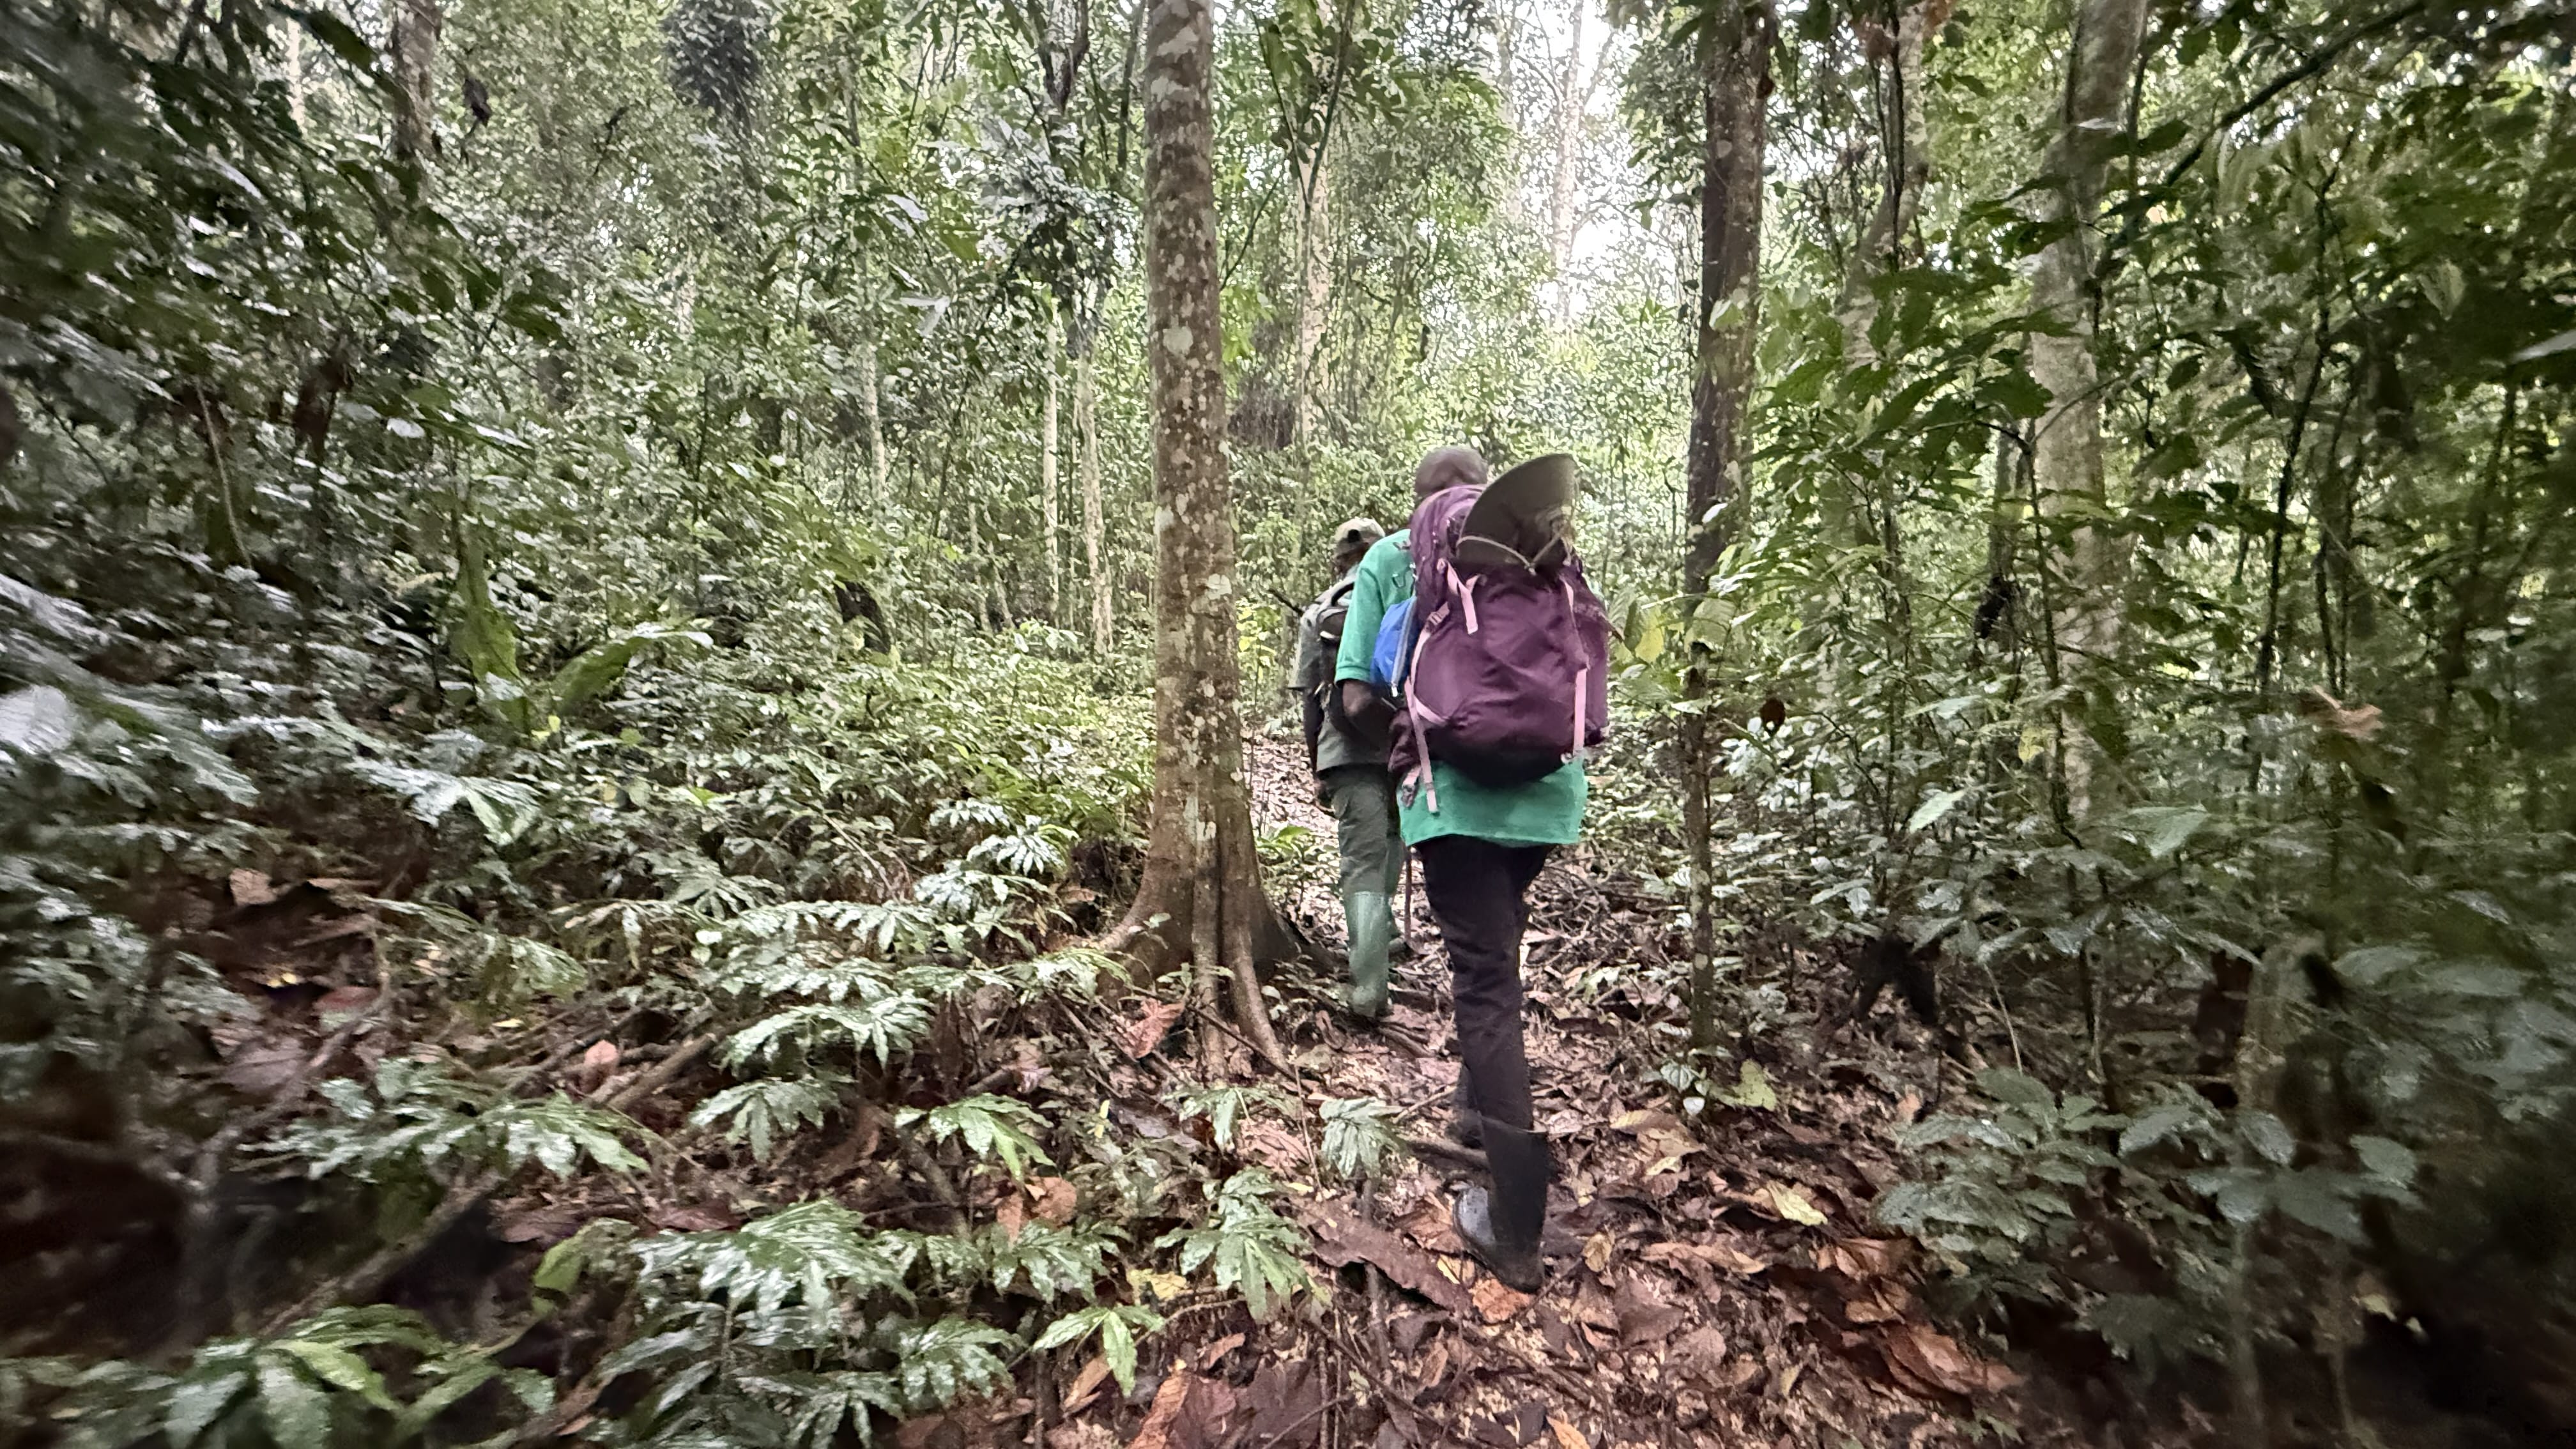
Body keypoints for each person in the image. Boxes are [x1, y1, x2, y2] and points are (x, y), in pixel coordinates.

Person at [1332, 445, 1588, 1293]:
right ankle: (1476, 1115)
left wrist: (1412, 754)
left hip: (1456, 803)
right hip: (1551, 796)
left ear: (1420, 505)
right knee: (1501, 951)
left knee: (1485, 981)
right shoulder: (1534, 550)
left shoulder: (1390, 559)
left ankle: (1515, 1229)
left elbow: (1358, 699)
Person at [1290, 516, 1402, 1022]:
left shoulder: (1319, 612)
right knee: (1391, 847)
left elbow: (1312, 701)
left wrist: (1317, 763)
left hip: (1345, 750)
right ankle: (1384, 935)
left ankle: (1368, 989)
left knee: (1361, 864)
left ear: (1338, 560)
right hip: (1402, 743)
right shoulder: (1406, 599)